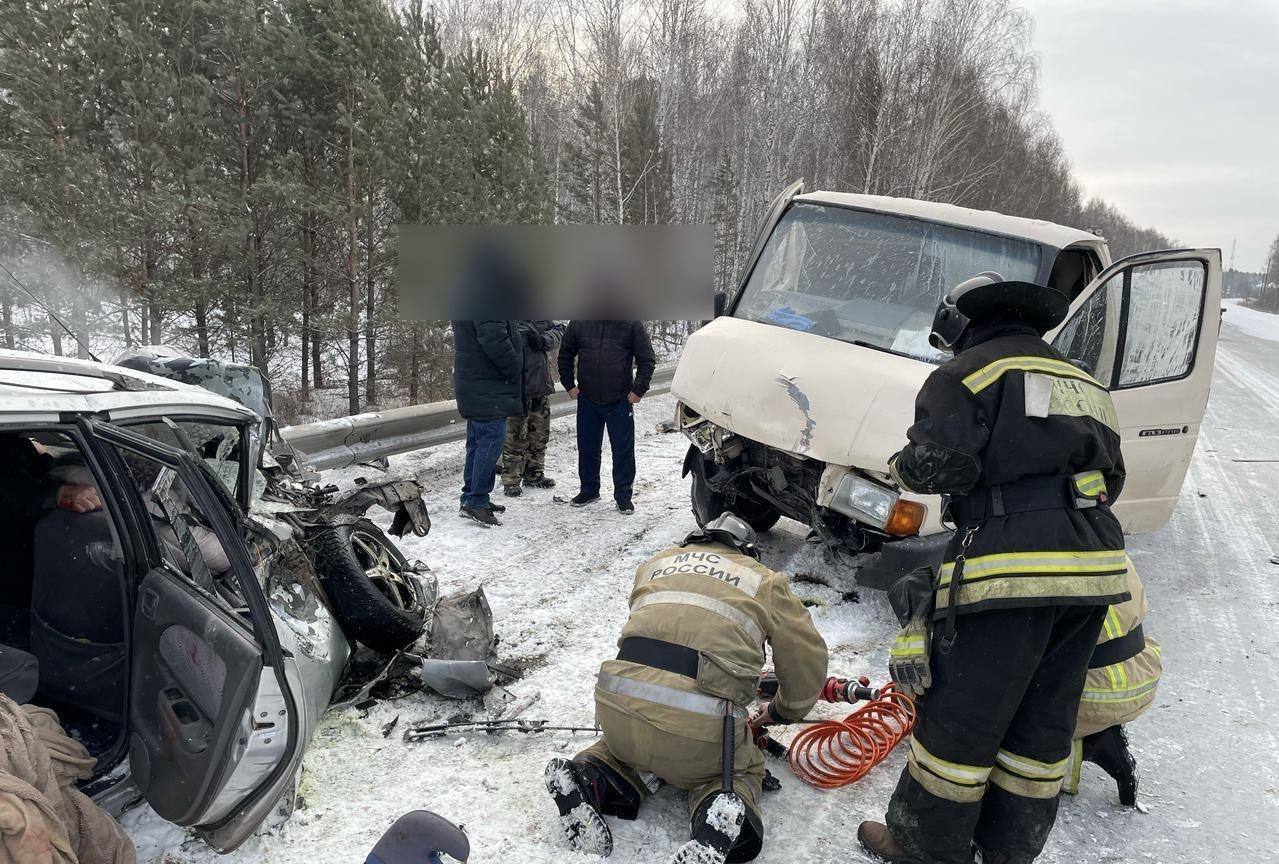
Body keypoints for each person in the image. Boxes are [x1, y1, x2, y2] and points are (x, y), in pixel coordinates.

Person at [859, 273, 1129, 864]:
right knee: (1042, 721)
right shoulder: (1084, 382)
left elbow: (939, 468)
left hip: (1012, 571)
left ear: (959, 323)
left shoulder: (965, 375)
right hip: (1096, 574)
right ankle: (1005, 849)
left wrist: (904, 465)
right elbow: (1114, 479)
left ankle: (920, 847)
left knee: (963, 720)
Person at [544, 513, 827, 864]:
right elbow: (806, 661)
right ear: (746, 551)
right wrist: (784, 710)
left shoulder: (654, 565)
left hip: (617, 705)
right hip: (704, 732)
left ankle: (589, 774)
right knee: (737, 769)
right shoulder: (764, 582)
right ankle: (717, 817)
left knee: (622, 751)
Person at [1062, 554, 1161, 806]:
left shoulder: (1031, 547)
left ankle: (1090, 739)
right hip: (1140, 673)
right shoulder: (1099, 529)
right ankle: (1090, 739)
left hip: (1093, 691)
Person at [558, 320, 656, 514]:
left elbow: (647, 359)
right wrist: (569, 385)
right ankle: (589, 489)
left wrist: (638, 391)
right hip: (587, 398)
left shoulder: (630, 322)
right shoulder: (579, 321)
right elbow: (565, 354)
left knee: (623, 451)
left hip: (620, 399)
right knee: (587, 448)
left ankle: (623, 496)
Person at [451, 320, 522, 527]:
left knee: (477, 444)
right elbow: (494, 338)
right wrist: (515, 365)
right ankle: (476, 501)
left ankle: (471, 497)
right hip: (487, 384)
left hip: (476, 382)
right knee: (490, 442)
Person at [501, 320, 565, 496]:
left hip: (540, 384)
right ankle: (511, 479)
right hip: (516, 388)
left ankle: (534, 473)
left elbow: (560, 329)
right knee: (515, 437)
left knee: (539, 435)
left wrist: (544, 340)